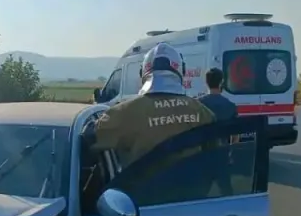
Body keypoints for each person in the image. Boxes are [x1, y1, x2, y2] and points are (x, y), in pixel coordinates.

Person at [85, 42, 216, 168]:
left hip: (139, 190)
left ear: (143, 72)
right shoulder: (201, 111)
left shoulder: (123, 113)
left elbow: (89, 138)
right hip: (192, 189)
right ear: (182, 71)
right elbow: (215, 156)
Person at [198, 68, 237, 194]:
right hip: (222, 154)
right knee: (226, 189)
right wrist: (231, 152)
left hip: (203, 155)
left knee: (201, 191)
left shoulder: (198, 104)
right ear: (222, 83)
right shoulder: (230, 106)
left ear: (206, 82)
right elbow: (235, 136)